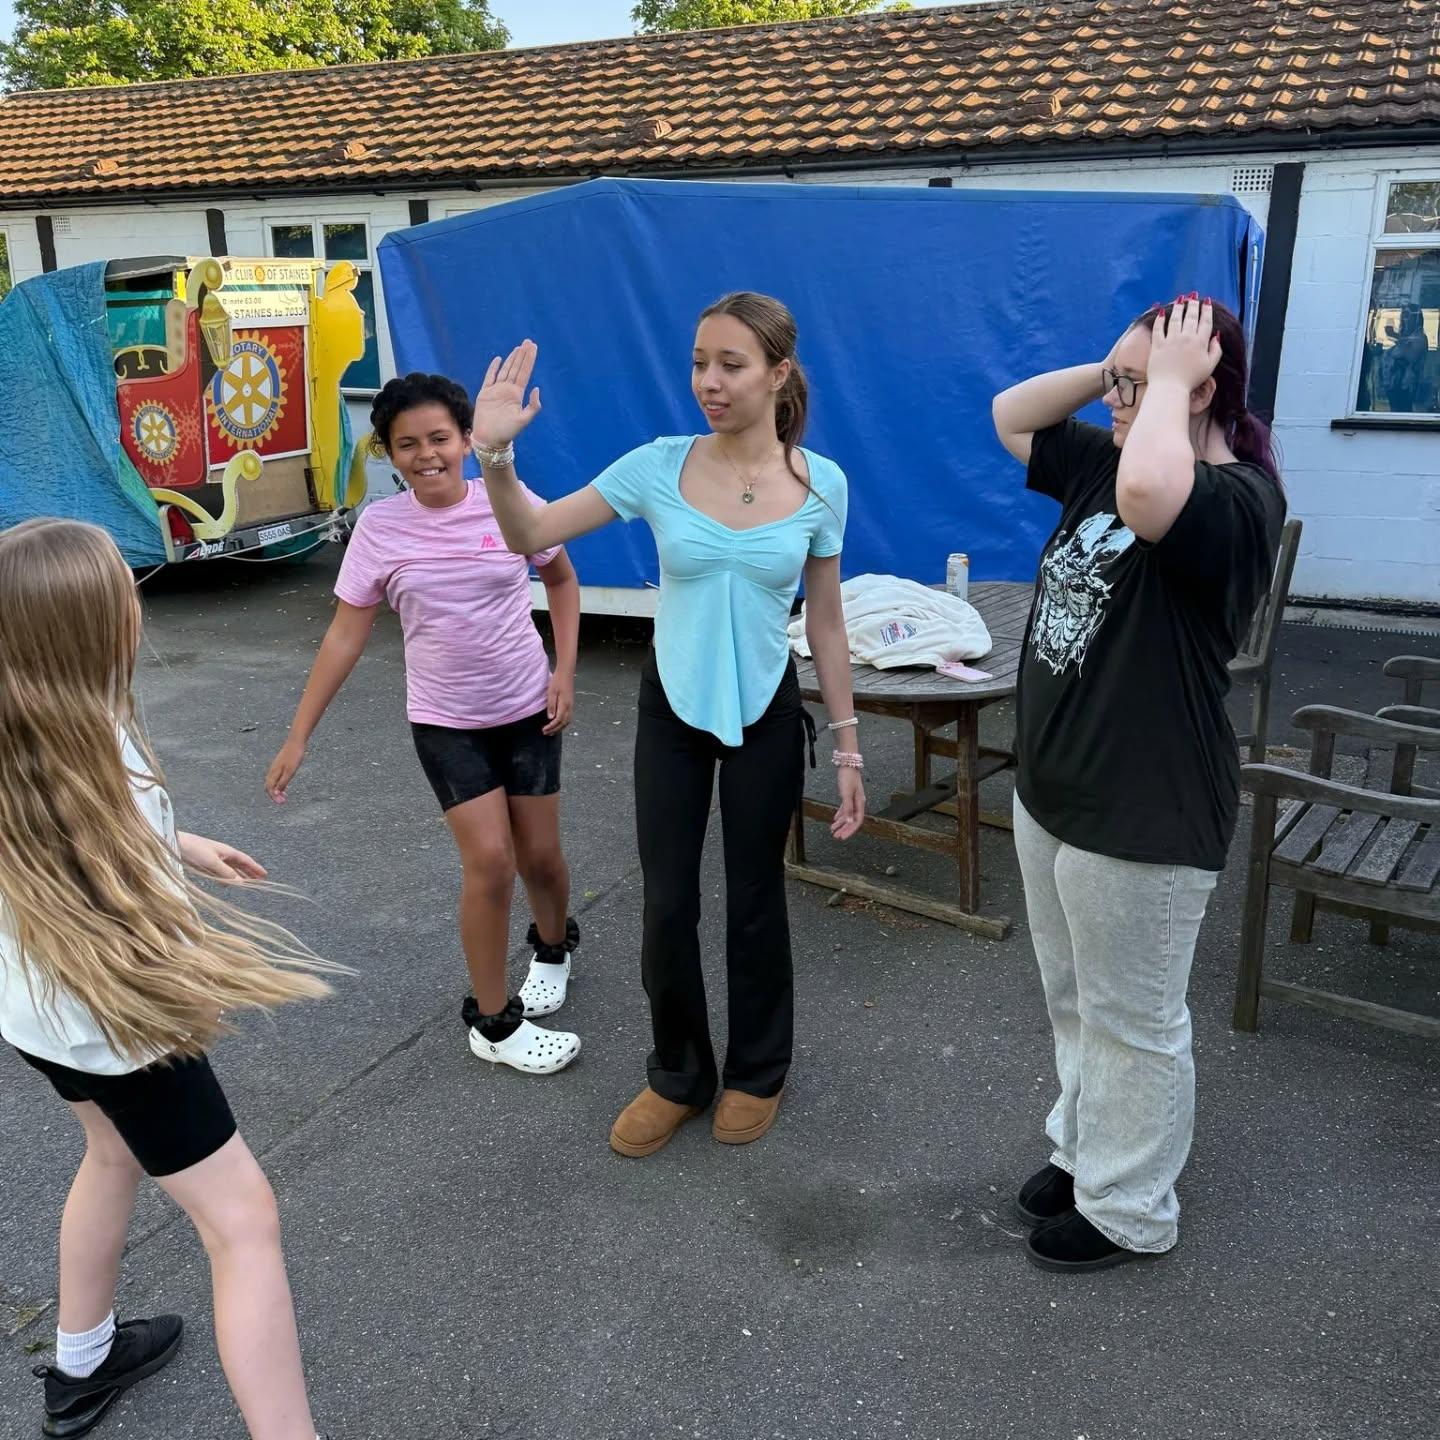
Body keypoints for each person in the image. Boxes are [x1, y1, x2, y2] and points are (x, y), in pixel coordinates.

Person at [468, 292, 866, 1157]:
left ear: (778, 372)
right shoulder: (659, 465)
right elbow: (527, 533)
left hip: (765, 708)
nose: (708, 382)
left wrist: (847, 744)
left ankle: (758, 1071)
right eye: (698, 362)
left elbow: (827, 621)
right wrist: (494, 451)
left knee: (757, 902)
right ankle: (677, 1074)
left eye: (730, 364)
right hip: (673, 708)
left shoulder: (820, 483)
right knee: (668, 901)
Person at [0, 518, 335, 1440]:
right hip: (120, 1030)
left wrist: (175, 843)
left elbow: (85, 833)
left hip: (40, 1022)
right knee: (243, 1223)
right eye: (123, 593)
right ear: (88, 629)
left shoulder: (36, 721)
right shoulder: (76, 739)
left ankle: (83, 1362)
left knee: (110, 1155)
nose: (136, 608)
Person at [991, 294, 1285, 1272]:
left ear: (1198, 387)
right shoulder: (1107, 461)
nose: (1116, 402)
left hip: (1146, 809)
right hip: (1058, 792)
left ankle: (1131, 1209)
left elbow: (1154, 499)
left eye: (1141, 385)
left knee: (1136, 1021)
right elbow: (1010, 415)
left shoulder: (1238, 499)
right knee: (1075, 1000)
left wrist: (1155, 387)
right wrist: (1120, 369)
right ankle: (1086, 1157)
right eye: (1116, 385)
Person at [265, 373, 584, 1075]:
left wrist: (563, 671)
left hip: (529, 709)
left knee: (540, 858)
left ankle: (555, 948)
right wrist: (297, 734)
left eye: (439, 437)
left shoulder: (507, 502)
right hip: (446, 722)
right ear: (388, 452)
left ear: (468, 439)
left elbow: (560, 578)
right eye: (406, 444)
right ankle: (495, 1023)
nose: (425, 454)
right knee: (491, 861)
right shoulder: (379, 528)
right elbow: (345, 636)